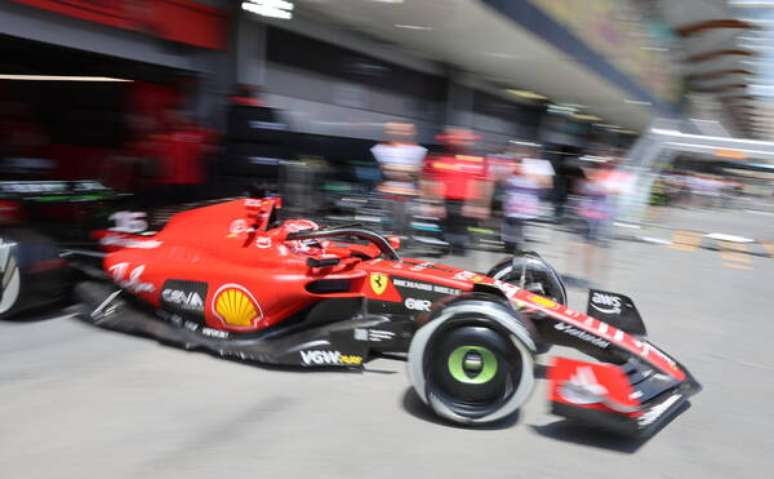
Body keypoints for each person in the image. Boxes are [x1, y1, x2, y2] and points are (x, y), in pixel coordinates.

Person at [422, 128, 491, 255]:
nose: (460, 143)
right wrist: (434, 203)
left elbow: (484, 183)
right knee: (442, 228)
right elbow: (429, 180)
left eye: (464, 140)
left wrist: (480, 206)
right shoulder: (437, 158)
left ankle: (458, 247)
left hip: (466, 203)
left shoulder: (478, 160)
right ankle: (444, 246)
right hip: (443, 200)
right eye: (456, 139)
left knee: (461, 231)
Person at [370, 122, 427, 239]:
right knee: (386, 223)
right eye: (395, 130)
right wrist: (408, 172)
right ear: (388, 132)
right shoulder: (379, 149)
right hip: (387, 193)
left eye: (405, 130)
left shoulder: (420, 151)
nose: (400, 133)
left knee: (405, 223)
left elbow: (418, 174)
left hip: (408, 194)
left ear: (412, 133)